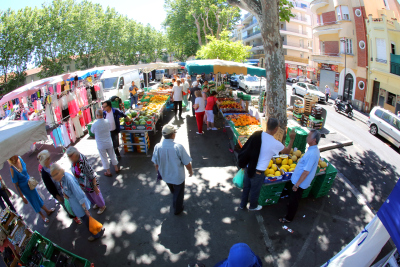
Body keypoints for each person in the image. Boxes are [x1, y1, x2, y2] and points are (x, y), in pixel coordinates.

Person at [238, 118, 296, 211]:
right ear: (276, 128)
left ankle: (242, 205)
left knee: (246, 187)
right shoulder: (275, 143)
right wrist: (292, 139)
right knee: (255, 190)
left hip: (248, 167)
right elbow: (287, 151)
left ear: (267, 125)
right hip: (258, 172)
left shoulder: (257, 134)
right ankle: (253, 206)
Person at [50, 164, 104, 241]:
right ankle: (97, 228)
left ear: (59, 172)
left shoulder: (68, 180)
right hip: (77, 206)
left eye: (54, 175)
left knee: (87, 221)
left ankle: (95, 235)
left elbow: (79, 195)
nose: (54, 178)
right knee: (88, 219)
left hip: (80, 207)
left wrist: (85, 209)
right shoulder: (62, 178)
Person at [279, 130, 320, 223]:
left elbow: (306, 172)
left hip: (300, 183)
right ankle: (290, 208)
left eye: (309, 136)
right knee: (293, 198)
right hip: (298, 179)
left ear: (314, 140)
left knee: (294, 200)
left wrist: (297, 185)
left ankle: (288, 218)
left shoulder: (312, 154)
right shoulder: (312, 150)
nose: (307, 137)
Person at [152, 125, 193, 215]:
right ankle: (177, 209)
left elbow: (156, 163)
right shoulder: (178, 147)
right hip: (177, 176)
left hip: (165, 175)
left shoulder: (157, 147)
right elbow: (187, 163)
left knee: (172, 188)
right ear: (172, 135)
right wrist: (190, 171)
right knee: (178, 192)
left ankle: (174, 195)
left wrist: (158, 173)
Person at [37, 150, 82, 224]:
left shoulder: (52, 164)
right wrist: (56, 196)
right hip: (58, 192)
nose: (50, 159)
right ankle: (74, 217)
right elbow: (49, 187)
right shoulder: (44, 173)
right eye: (48, 158)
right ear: (44, 161)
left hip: (64, 187)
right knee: (67, 205)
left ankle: (77, 212)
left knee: (72, 201)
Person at [8, 156, 55, 223]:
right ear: (10, 158)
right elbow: (16, 184)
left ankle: (47, 211)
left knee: (37, 197)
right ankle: (42, 216)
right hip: (25, 188)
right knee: (33, 201)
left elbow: (25, 171)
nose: (15, 156)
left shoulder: (20, 158)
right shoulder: (12, 168)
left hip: (30, 183)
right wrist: (22, 197)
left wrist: (29, 179)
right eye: (13, 156)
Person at [66, 147, 107, 215]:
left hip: (90, 183)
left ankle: (102, 206)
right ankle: (97, 204)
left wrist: (95, 186)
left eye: (70, 156)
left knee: (96, 195)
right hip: (84, 185)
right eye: (68, 156)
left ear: (75, 154)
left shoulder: (82, 162)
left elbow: (91, 173)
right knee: (90, 196)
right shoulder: (74, 161)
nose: (69, 158)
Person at [91, 109, 120, 177]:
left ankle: (108, 172)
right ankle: (116, 168)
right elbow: (109, 128)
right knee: (112, 155)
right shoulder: (107, 121)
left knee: (104, 158)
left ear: (97, 115)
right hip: (109, 142)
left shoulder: (95, 124)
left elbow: (92, 131)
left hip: (101, 144)